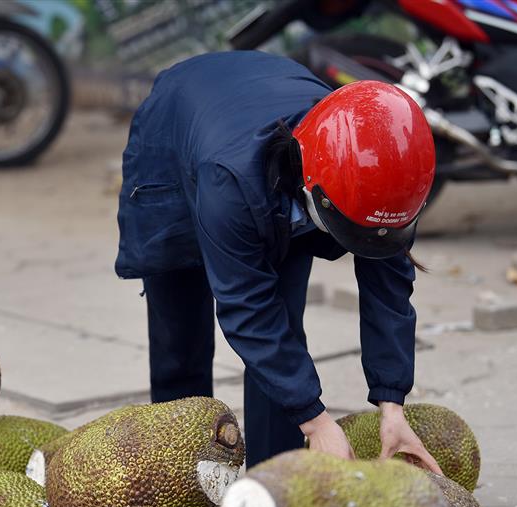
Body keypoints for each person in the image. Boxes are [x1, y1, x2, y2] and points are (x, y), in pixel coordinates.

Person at [115, 50, 442, 471]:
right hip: (177, 134)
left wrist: (391, 403)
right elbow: (246, 308)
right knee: (180, 339)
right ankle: (184, 484)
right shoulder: (229, 180)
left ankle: (275, 480)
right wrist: (317, 422)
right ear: (311, 190)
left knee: (283, 330)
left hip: (266, 127)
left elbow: (389, 291)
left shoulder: (382, 174)